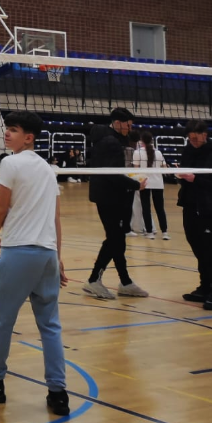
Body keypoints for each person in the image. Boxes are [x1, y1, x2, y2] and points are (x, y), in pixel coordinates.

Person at [0, 111, 70, 417]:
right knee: (50, 326)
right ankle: (58, 395)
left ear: (28, 137)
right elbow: (55, 218)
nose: (7, 134)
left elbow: (0, 206)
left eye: (12, 130)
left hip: (18, 252)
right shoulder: (48, 168)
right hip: (46, 256)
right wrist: (58, 256)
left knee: (2, 321)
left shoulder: (10, 162)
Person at [82, 108, 149, 300]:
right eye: (128, 124)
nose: (130, 128)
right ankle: (94, 279)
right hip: (110, 196)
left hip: (111, 195)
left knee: (118, 239)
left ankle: (125, 282)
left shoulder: (111, 138)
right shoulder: (110, 141)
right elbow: (111, 173)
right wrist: (136, 184)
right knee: (114, 239)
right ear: (118, 123)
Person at [177, 120, 212, 311]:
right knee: (197, 247)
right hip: (189, 205)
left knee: (210, 251)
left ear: (205, 135)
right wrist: (180, 175)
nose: (194, 143)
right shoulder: (188, 151)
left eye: (197, 139)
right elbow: (186, 174)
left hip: (206, 208)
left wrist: (195, 179)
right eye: (191, 140)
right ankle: (205, 287)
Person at [134, 130, 168, 240]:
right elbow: (165, 168)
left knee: (146, 208)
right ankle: (165, 233)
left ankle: (149, 232)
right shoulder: (158, 152)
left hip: (144, 183)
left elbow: (135, 170)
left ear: (141, 140)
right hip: (158, 183)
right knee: (160, 209)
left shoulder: (138, 152)